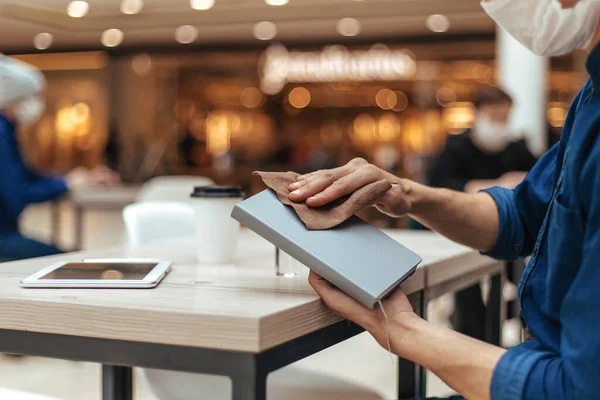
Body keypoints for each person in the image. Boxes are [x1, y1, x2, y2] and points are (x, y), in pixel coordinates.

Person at [288, 0, 600, 398]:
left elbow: (576, 390)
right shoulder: (590, 100)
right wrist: (408, 194)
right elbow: (520, 215)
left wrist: (400, 326)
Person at [427, 86, 538, 340]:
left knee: (527, 278)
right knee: (467, 289)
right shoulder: (456, 149)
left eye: (505, 118)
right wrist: (495, 184)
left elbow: (539, 177)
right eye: (494, 117)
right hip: (464, 230)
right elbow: (439, 186)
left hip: (508, 229)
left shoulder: (516, 149)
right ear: (477, 114)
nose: (500, 124)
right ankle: (475, 340)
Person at [0, 55, 119, 261]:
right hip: (4, 237)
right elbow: (17, 193)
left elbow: (25, 175)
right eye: (33, 97)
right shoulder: (1, 131)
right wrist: (65, 184)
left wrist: (69, 179)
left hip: (7, 233)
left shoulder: (7, 130)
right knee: (69, 262)